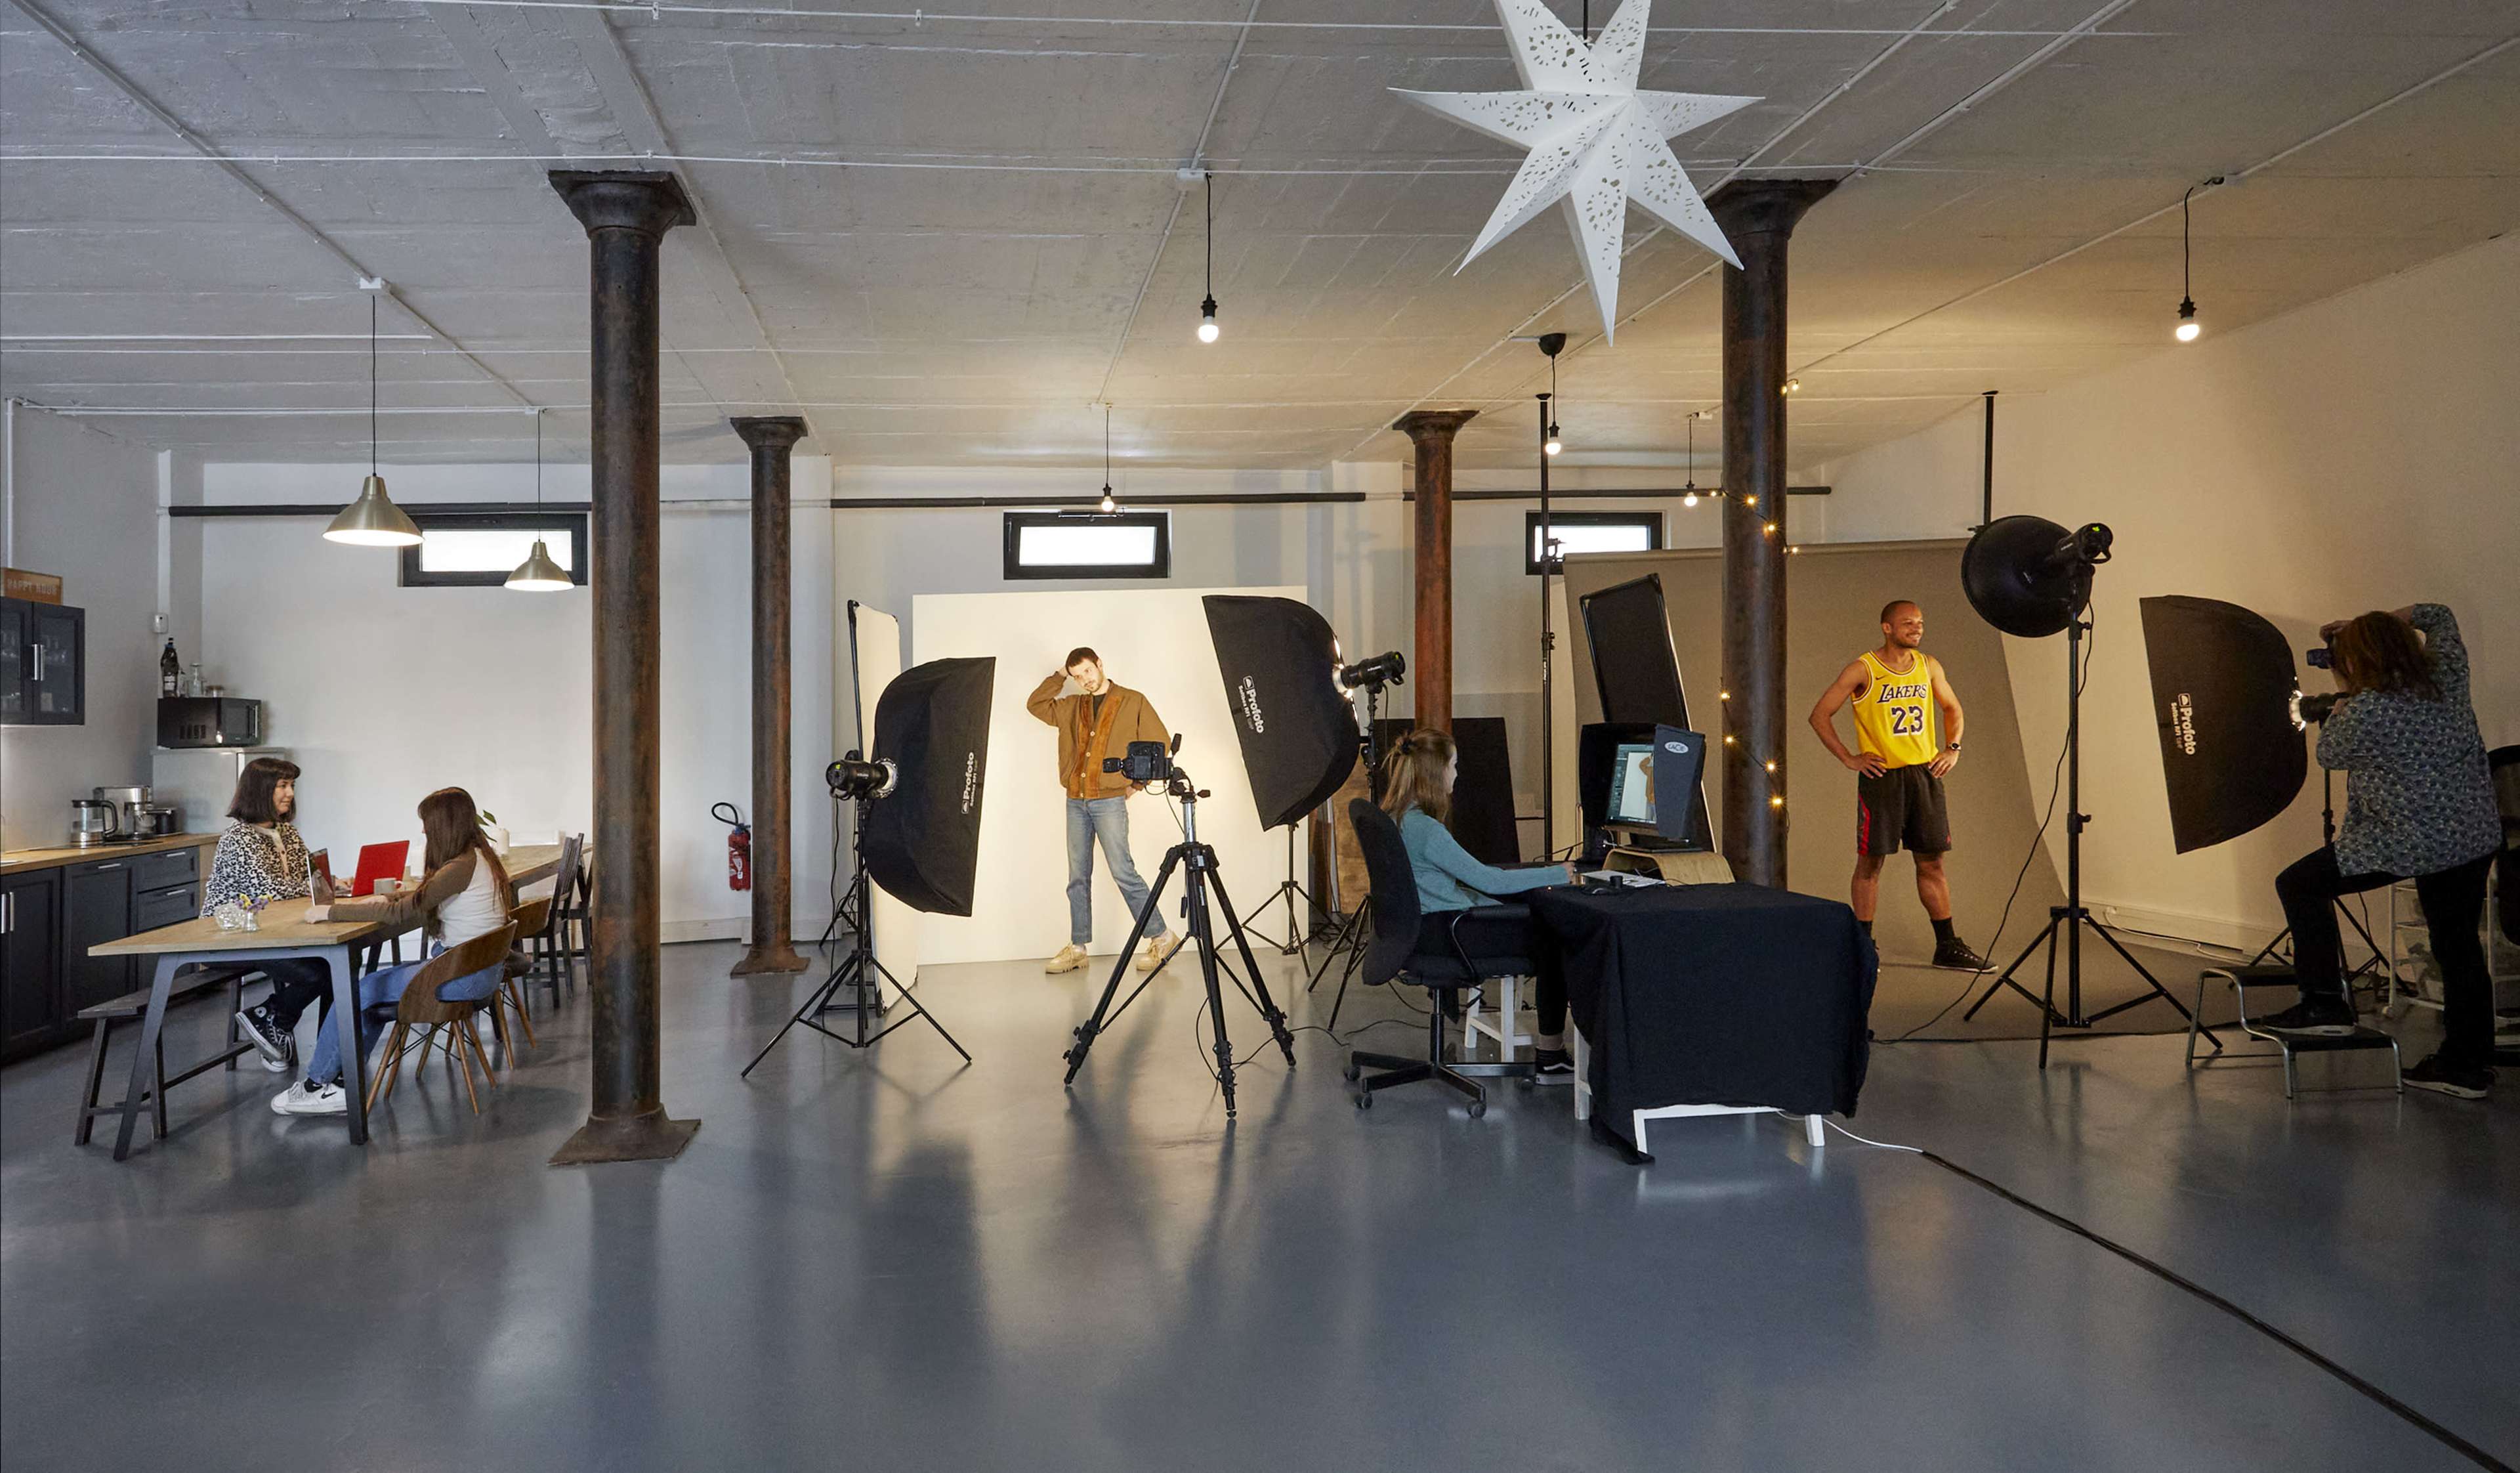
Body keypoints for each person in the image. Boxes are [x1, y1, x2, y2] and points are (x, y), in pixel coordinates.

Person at [2258, 605, 2500, 1099]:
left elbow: (2329, 754)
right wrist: (2377, 622)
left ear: (2358, 661)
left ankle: (2325, 1005)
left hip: (2408, 842)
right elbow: (2440, 615)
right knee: (2458, 948)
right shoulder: (2447, 677)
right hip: (2472, 839)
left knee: (2299, 883)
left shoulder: (2369, 711)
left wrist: (2345, 697)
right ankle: (2467, 1065)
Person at [267, 787, 521, 1117]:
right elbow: (420, 901)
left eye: (427, 822)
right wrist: (387, 901)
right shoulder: (479, 857)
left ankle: (317, 1085)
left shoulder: (459, 866)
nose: (423, 830)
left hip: (461, 977)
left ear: (445, 823)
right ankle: (342, 1086)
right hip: (479, 973)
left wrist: (331, 912)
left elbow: (404, 914)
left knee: (360, 992)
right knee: (371, 996)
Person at [1380, 729, 1577, 1075]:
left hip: (1420, 931)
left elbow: (1470, 884)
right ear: (1436, 772)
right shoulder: (1426, 830)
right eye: (1453, 765)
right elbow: (1490, 880)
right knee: (1555, 938)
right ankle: (1551, 1054)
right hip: (1450, 934)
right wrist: (1559, 873)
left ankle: (1553, 1051)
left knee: (1527, 918)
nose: (1456, 774)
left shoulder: (1396, 818)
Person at [1809, 599, 1989, 971]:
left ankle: (1948, 946)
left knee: (1932, 863)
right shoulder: (1864, 668)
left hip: (1923, 775)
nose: (1917, 628)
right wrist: (1849, 757)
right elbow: (1820, 715)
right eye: (1908, 623)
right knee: (1870, 863)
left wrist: (1952, 749)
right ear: (1887, 628)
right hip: (1883, 778)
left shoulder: (1929, 666)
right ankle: (1863, 945)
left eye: (1920, 623)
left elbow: (1952, 708)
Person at [1027, 647, 1183, 976]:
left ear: (1100, 664)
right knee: (1077, 877)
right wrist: (1058, 678)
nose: (1084, 680)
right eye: (1077, 676)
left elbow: (1160, 743)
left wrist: (1135, 785)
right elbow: (1036, 705)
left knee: (1123, 872)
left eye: (1087, 671)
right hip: (1076, 800)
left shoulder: (1132, 700)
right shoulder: (1071, 706)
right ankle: (1078, 948)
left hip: (1109, 800)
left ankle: (1162, 936)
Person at [219, 758, 329, 1075]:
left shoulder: (287, 832)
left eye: (291, 785)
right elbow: (270, 889)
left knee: (334, 966)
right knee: (318, 973)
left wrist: (329, 882)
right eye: (282, 786)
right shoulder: (237, 838)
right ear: (260, 790)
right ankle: (271, 1018)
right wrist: (313, 884)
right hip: (236, 935)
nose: (290, 793)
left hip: (274, 930)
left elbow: (309, 876)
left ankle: (327, 1056)